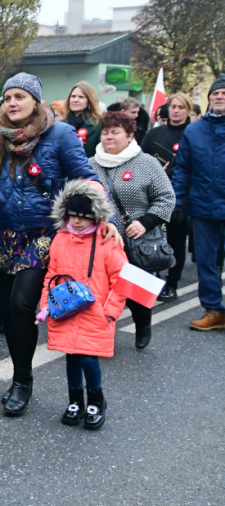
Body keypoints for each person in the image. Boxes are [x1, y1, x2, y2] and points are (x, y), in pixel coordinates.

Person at [0, 73, 105, 417]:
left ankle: (22, 381)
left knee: (23, 304)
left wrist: (101, 218)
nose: (13, 103)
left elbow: (86, 178)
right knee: (5, 312)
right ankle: (21, 373)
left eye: (20, 96)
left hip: (43, 234)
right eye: (8, 98)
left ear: (36, 101)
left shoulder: (61, 134)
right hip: (2, 233)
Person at [36, 181, 127, 430]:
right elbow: (51, 276)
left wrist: (109, 313)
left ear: (96, 216)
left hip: (94, 313)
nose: (77, 222)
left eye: (84, 217)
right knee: (72, 358)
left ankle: (96, 400)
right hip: (65, 311)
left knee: (89, 359)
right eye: (73, 215)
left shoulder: (108, 241)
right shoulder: (61, 239)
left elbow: (121, 280)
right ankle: (75, 401)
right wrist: (47, 305)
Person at [89, 111, 174, 349]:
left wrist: (145, 222)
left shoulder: (146, 163)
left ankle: (142, 325)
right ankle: (101, 336)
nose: (108, 137)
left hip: (136, 238)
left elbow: (166, 197)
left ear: (129, 135)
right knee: (101, 292)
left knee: (136, 293)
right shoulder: (90, 164)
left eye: (115, 132)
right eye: (105, 133)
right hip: (102, 240)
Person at [172, 74, 225, 330]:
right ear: (208, 98)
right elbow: (182, 168)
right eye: (215, 93)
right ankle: (214, 310)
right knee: (205, 261)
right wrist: (177, 201)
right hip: (204, 207)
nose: (219, 96)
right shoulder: (194, 130)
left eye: (224, 93)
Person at [142, 93, 192, 301]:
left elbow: (191, 167)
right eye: (173, 106)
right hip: (151, 194)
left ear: (188, 110)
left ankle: (172, 283)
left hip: (180, 196)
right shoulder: (156, 133)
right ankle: (150, 280)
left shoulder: (192, 134)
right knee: (149, 240)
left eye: (181, 107)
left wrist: (166, 172)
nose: (176, 110)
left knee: (176, 241)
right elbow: (141, 158)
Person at [63, 81, 103, 157]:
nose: (75, 100)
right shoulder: (61, 124)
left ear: (89, 101)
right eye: (73, 96)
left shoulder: (98, 124)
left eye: (81, 97)